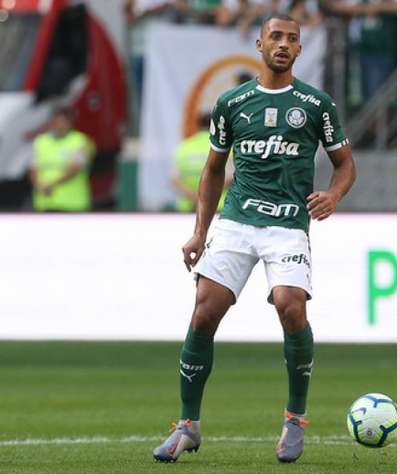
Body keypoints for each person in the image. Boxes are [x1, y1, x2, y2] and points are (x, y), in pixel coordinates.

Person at [152, 14, 356, 464]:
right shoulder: (232, 103)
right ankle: (187, 425)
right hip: (237, 220)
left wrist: (334, 195)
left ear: (300, 50)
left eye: (292, 39)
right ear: (259, 44)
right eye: (276, 37)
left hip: (287, 224)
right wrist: (199, 231)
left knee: (290, 305)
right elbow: (211, 171)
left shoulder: (316, 104)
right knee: (205, 311)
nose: (283, 44)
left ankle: (295, 419)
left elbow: (345, 164)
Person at [29, 107, 95, 212]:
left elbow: (74, 169)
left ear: (70, 122)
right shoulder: (40, 141)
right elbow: (33, 168)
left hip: (73, 205)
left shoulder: (81, 142)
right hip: (45, 204)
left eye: (62, 121)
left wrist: (51, 184)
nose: (59, 125)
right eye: (56, 121)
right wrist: (39, 184)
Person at [171, 113, 230, 212]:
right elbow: (229, 178)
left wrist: (195, 196)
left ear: (198, 125)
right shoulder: (224, 147)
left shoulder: (184, 146)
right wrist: (205, 196)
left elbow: (174, 179)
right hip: (217, 205)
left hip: (188, 206)